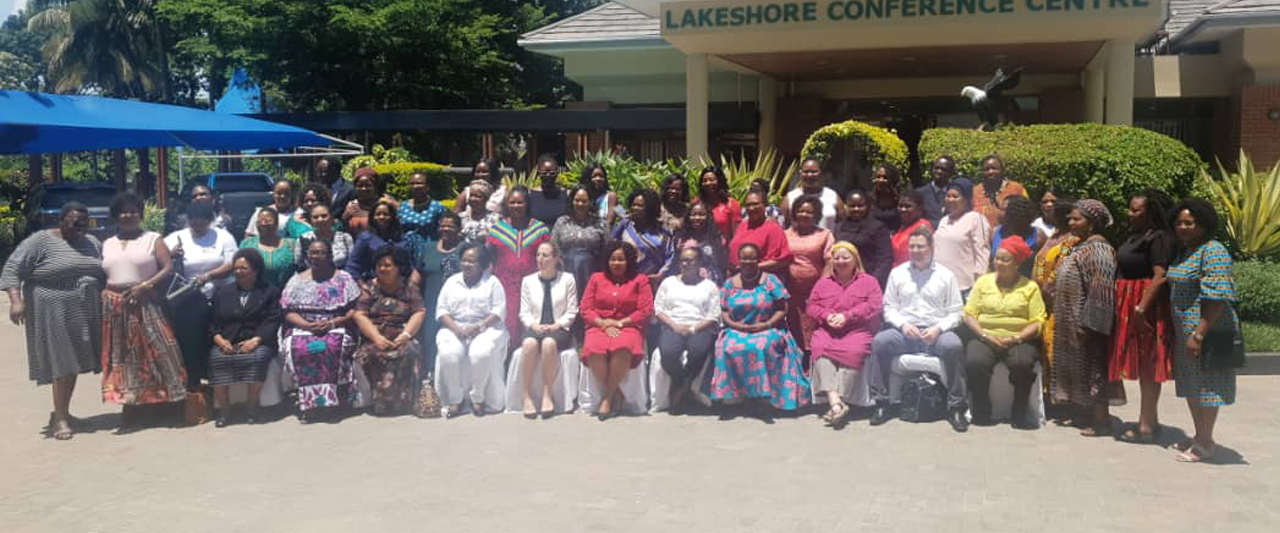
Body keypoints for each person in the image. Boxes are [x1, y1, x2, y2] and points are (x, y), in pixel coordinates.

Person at [2, 202, 104, 440]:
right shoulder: (40, 241)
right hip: (52, 308)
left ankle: (62, 411)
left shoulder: (92, 243)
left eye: (83, 223)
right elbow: (12, 269)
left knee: (74, 363)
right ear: (61, 221)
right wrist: (16, 300)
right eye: (74, 223)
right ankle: (59, 418)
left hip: (83, 310)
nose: (79, 227)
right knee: (62, 361)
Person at [866, 226, 969, 432]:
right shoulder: (897, 273)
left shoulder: (946, 275)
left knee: (954, 345)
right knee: (880, 342)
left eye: (920, 246)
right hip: (905, 333)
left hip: (935, 333)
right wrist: (903, 325)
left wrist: (938, 329)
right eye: (912, 246)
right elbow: (889, 307)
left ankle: (956, 406)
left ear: (931, 248)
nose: (915, 250)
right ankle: (881, 403)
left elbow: (957, 312)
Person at [100, 193, 186, 422]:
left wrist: (145, 285)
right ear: (116, 216)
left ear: (140, 214)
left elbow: (166, 267)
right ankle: (132, 405)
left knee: (159, 352)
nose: (128, 215)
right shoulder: (108, 243)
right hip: (116, 307)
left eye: (132, 211)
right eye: (123, 212)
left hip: (146, 301)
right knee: (124, 357)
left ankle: (168, 404)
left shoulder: (153, 238)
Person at [1167, 198, 1239, 463]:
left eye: (1189, 223)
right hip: (1184, 333)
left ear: (1203, 224)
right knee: (1192, 385)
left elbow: (1218, 296)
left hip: (1206, 332)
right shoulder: (1186, 251)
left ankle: (1205, 442)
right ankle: (1200, 435)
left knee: (1208, 387)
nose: (1182, 227)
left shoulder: (1213, 250)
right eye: (1179, 223)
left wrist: (1199, 333)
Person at [709, 243, 811, 420]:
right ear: (738, 261)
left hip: (768, 328)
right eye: (744, 258)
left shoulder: (770, 280)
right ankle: (741, 398)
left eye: (751, 258)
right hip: (737, 329)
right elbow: (724, 311)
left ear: (758, 260)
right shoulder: (730, 283)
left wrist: (766, 325)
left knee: (762, 346)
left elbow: (782, 307)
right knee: (731, 347)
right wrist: (737, 326)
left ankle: (764, 399)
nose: (747, 261)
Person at [1112, 189, 1175, 443]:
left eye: (1136, 210)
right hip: (1129, 304)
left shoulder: (1158, 237)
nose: (1130, 213)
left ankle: (1146, 426)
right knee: (1141, 364)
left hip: (1144, 308)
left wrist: (1141, 308)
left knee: (1148, 365)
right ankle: (1151, 419)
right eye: (1131, 208)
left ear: (1150, 214)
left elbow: (1160, 275)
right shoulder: (1136, 236)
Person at [1050, 199, 1118, 437]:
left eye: (1077, 218)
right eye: (1070, 218)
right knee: (1079, 366)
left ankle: (1101, 420)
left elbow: (1100, 291)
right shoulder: (1080, 246)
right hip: (1070, 319)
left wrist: (1090, 325)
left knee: (1093, 366)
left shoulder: (1098, 249)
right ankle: (1083, 412)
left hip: (1088, 322)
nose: (1070, 222)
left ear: (1092, 223)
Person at [963, 235, 1045, 429]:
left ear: (1017, 263)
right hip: (985, 336)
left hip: (1019, 339)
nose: (998, 263)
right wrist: (984, 335)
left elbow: (1037, 321)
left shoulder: (1029, 287)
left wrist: (1015, 338)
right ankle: (982, 410)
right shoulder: (983, 282)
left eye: (1005, 260)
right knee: (975, 361)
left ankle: (1020, 411)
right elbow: (969, 314)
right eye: (997, 258)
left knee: (1022, 362)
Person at [279, 239, 363, 420]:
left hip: (337, 325)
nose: (316, 256)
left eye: (321, 252)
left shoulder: (344, 278)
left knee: (332, 346)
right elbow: (287, 311)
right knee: (299, 348)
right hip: (303, 325)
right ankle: (308, 404)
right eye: (312, 253)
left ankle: (334, 402)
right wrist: (306, 326)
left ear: (330, 256)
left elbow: (354, 309)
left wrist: (333, 323)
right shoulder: (296, 280)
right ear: (307, 255)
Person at [807, 241, 882, 428]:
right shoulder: (823, 283)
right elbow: (812, 306)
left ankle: (836, 403)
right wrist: (827, 315)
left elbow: (875, 305)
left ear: (855, 260)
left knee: (853, 351)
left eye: (846, 257)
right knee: (819, 348)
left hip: (857, 329)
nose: (841, 261)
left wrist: (847, 316)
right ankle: (836, 403)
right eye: (836, 257)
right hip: (828, 330)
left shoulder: (869, 282)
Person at [165, 201, 237, 388]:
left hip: (218, 296)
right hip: (186, 302)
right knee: (191, 342)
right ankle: (193, 383)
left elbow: (232, 263)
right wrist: (171, 255)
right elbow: (160, 264)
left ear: (210, 220)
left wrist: (209, 276)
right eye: (193, 222)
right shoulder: (175, 237)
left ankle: (218, 382)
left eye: (202, 222)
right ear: (187, 220)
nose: (198, 226)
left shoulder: (223, 236)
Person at [580, 241, 653, 420]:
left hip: (628, 327)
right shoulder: (596, 278)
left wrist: (620, 323)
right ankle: (616, 394)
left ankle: (606, 398)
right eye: (613, 259)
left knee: (623, 347)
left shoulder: (640, 280)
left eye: (621, 259)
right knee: (594, 349)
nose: (616, 263)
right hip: (599, 326)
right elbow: (585, 308)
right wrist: (603, 323)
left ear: (628, 261)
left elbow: (645, 310)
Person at [208, 248, 280, 427]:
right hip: (227, 340)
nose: (238, 271)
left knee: (257, 358)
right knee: (216, 359)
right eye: (236, 268)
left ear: (255, 270)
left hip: (258, 340)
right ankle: (225, 411)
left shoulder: (269, 292)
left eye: (244, 268)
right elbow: (212, 321)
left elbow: (273, 320)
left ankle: (252, 408)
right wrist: (219, 340)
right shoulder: (223, 292)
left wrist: (256, 340)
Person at [435, 243, 509, 417]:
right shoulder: (452, 282)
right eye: (464, 261)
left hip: (487, 328)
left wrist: (478, 327)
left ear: (483, 265)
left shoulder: (492, 282)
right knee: (448, 353)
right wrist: (456, 329)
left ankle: (478, 398)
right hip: (455, 327)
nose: (466, 264)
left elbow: (499, 312)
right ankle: (456, 399)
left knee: (480, 353)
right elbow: (441, 310)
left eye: (472, 261)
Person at [353, 246, 426, 416]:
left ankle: (404, 402)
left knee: (410, 352)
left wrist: (406, 335)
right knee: (369, 354)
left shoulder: (409, 287)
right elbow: (359, 314)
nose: (382, 269)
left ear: (398, 267)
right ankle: (377, 402)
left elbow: (419, 311)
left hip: (402, 333)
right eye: (379, 265)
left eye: (387, 265)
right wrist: (376, 337)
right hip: (375, 335)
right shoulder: (369, 287)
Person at [653, 247, 721, 413]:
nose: (686, 263)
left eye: (690, 260)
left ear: (699, 263)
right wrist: (675, 326)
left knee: (698, 351)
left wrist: (692, 328)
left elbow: (714, 315)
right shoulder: (668, 282)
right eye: (683, 260)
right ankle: (681, 382)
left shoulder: (709, 286)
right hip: (672, 326)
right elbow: (658, 309)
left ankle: (682, 386)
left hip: (699, 327)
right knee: (668, 353)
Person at [516, 242, 578, 418]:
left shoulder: (567, 279)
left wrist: (556, 325)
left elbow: (572, 310)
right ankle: (526, 395)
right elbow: (524, 312)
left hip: (559, 327)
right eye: (538, 255)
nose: (540, 259)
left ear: (556, 259)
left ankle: (547, 394)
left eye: (545, 255)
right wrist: (533, 325)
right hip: (535, 326)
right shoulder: (528, 281)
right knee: (528, 344)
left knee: (549, 343)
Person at [1031, 198, 1078, 413]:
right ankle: (1050, 397)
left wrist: (1047, 288)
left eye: (1058, 214)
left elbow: (1061, 270)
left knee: (1059, 351)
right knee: (1047, 350)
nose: (1052, 215)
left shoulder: (1072, 241)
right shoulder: (1053, 237)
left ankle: (1065, 402)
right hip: (1043, 301)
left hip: (1058, 303)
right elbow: (1041, 263)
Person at [488, 186, 553, 341]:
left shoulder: (540, 229)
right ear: (507, 205)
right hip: (504, 286)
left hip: (534, 286)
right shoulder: (497, 230)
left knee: (531, 325)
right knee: (507, 325)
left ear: (527, 204)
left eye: (520, 202)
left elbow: (550, 258)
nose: (516, 206)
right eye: (512, 202)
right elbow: (489, 260)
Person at [784, 194, 834, 353]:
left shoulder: (824, 235)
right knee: (794, 332)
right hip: (791, 293)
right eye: (801, 211)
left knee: (814, 332)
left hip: (815, 293)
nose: (804, 215)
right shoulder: (785, 234)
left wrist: (820, 289)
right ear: (794, 213)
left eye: (809, 212)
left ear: (817, 215)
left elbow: (829, 262)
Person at [414, 211, 463, 375]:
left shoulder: (466, 248)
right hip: (431, 303)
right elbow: (416, 276)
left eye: (451, 226)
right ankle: (431, 382)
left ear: (459, 228)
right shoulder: (428, 248)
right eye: (443, 226)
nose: (446, 229)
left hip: (459, 307)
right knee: (430, 343)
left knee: (455, 345)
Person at [933, 178, 991, 297]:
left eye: (955, 196)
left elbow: (982, 253)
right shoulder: (944, 220)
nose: (950, 200)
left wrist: (979, 285)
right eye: (948, 196)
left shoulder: (975, 219)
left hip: (964, 289)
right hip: (940, 285)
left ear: (967, 200)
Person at [551, 184, 608, 299]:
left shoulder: (600, 223)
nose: (580, 204)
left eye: (584, 201)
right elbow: (554, 247)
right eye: (577, 200)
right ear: (571, 201)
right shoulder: (562, 222)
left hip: (591, 272)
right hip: (566, 271)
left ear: (590, 202)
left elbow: (606, 249)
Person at [613, 188, 675, 283]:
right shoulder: (625, 225)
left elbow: (670, 256)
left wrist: (660, 275)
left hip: (653, 281)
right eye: (634, 205)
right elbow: (613, 248)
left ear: (650, 208)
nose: (635, 208)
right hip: (626, 280)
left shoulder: (661, 230)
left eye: (640, 205)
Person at [834, 189, 893, 287]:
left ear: (868, 206)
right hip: (842, 283)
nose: (856, 209)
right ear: (846, 206)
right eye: (852, 206)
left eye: (860, 205)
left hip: (869, 282)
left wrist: (872, 283)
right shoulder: (839, 228)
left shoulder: (878, 227)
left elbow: (884, 260)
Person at [729, 189, 792, 276]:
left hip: (760, 279)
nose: (751, 208)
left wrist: (751, 267)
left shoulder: (773, 228)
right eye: (748, 205)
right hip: (738, 277)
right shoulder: (742, 225)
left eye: (755, 204)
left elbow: (782, 261)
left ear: (765, 205)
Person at [346, 200, 406, 280]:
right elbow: (352, 264)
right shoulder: (365, 237)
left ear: (392, 217)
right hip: (373, 283)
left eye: (386, 214)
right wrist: (361, 284)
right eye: (378, 214)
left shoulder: (400, 238)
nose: (381, 217)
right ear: (372, 217)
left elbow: (408, 264)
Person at [240, 206, 298, 289]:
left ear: (277, 224)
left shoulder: (291, 244)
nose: (263, 224)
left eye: (268, 221)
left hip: (285, 294)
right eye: (260, 221)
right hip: (257, 295)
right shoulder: (247, 244)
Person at [673, 201, 728, 285]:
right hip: (687, 282)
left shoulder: (716, 239)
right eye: (693, 214)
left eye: (701, 214)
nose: (697, 218)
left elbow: (722, 264)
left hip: (712, 283)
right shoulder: (681, 239)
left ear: (708, 217)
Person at [781, 157, 841, 231]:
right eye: (806, 171)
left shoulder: (832, 196)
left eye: (814, 172)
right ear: (800, 173)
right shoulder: (790, 198)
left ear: (821, 173)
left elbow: (842, 224)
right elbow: (784, 226)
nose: (809, 175)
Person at [973, 154, 1028, 228]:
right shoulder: (975, 192)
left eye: (994, 168)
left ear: (1002, 170)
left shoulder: (1017, 189)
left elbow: (1026, 214)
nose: (990, 172)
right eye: (986, 169)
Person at [990, 195, 1039, 273]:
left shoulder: (1038, 236)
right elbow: (990, 264)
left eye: (1004, 210)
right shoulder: (995, 233)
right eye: (1000, 209)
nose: (999, 213)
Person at [297, 204, 354, 270]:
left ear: (332, 218)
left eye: (324, 216)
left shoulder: (345, 238)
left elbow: (352, 264)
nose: (320, 219)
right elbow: (299, 265)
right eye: (315, 217)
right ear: (311, 221)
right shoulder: (303, 239)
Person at [343, 167, 395, 236]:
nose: (364, 189)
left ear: (375, 186)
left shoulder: (386, 203)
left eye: (368, 185)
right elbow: (344, 231)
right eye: (360, 186)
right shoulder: (351, 206)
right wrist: (345, 218)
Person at [694, 166, 740, 241]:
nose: (708, 183)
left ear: (720, 181)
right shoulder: (696, 203)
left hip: (723, 250)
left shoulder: (731, 204)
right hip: (699, 248)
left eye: (712, 180)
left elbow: (736, 235)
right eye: (704, 180)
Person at [398, 171, 448, 241]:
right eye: (412, 184)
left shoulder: (438, 208)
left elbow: (444, 232)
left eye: (419, 183)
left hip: (428, 248)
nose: (415, 186)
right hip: (405, 248)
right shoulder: (403, 207)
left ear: (427, 187)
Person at [892, 189, 934, 267]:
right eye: (900, 206)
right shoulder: (903, 227)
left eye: (908, 206)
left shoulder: (922, 227)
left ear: (919, 208)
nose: (903, 209)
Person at [528, 155, 569, 228]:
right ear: (538, 173)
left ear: (557, 173)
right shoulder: (530, 195)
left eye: (552, 173)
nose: (548, 175)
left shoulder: (567, 195)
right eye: (544, 173)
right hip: (538, 236)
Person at [916, 155, 957, 227]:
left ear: (951, 173)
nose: (939, 171)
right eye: (936, 168)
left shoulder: (957, 194)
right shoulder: (919, 194)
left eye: (943, 169)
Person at [311, 157, 355, 221]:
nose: (319, 175)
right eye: (318, 172)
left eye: (323, 172)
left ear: (336, 170)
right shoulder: (318, 190)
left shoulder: (350, 190)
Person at [459, 179, 501, 244]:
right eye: (471, 195)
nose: (473, 199)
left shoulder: (496, 218)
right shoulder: (460, 217)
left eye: (477, 196)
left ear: (486, 199)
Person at [581, 163, 621, 228]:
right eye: (594, 176)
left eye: (601, 176)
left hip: (605, 234)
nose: (598, 179)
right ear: (587, 178)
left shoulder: (610, 196)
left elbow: (611, 221)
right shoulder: (583, 196)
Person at [869, 163, 903, 231]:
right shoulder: (869, 200)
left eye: (885, 177)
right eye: (878, 177)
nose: (881, 180)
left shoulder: (902, 200)